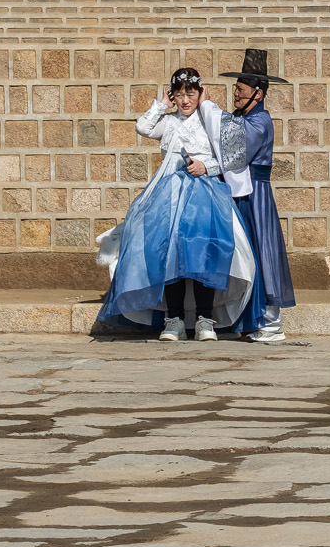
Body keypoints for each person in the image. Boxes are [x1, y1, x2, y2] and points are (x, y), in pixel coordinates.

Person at [96, 67, 256, 342]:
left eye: (190, 94)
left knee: (204, 250)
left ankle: (205, 319)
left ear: (199, 93)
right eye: (179, 94)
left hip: (205, 193)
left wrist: (206, 166)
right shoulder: (168, 122)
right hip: (169, 194)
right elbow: (143, 127)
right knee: (168, 253)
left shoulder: (210, 121)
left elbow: (230, 157)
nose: (185, 100)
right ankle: (174, 319)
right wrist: (161, 104)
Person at [219, 48, 296, 344]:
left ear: (258, 94)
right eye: (236, 88)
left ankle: (271, 321)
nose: (236, 94)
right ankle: (248, 318)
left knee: (262, 252)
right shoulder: (241, 119)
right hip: (240, 194)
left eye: (241, 89)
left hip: (256, 196)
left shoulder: (259, 122)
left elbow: (236, 150)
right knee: (243, 255)